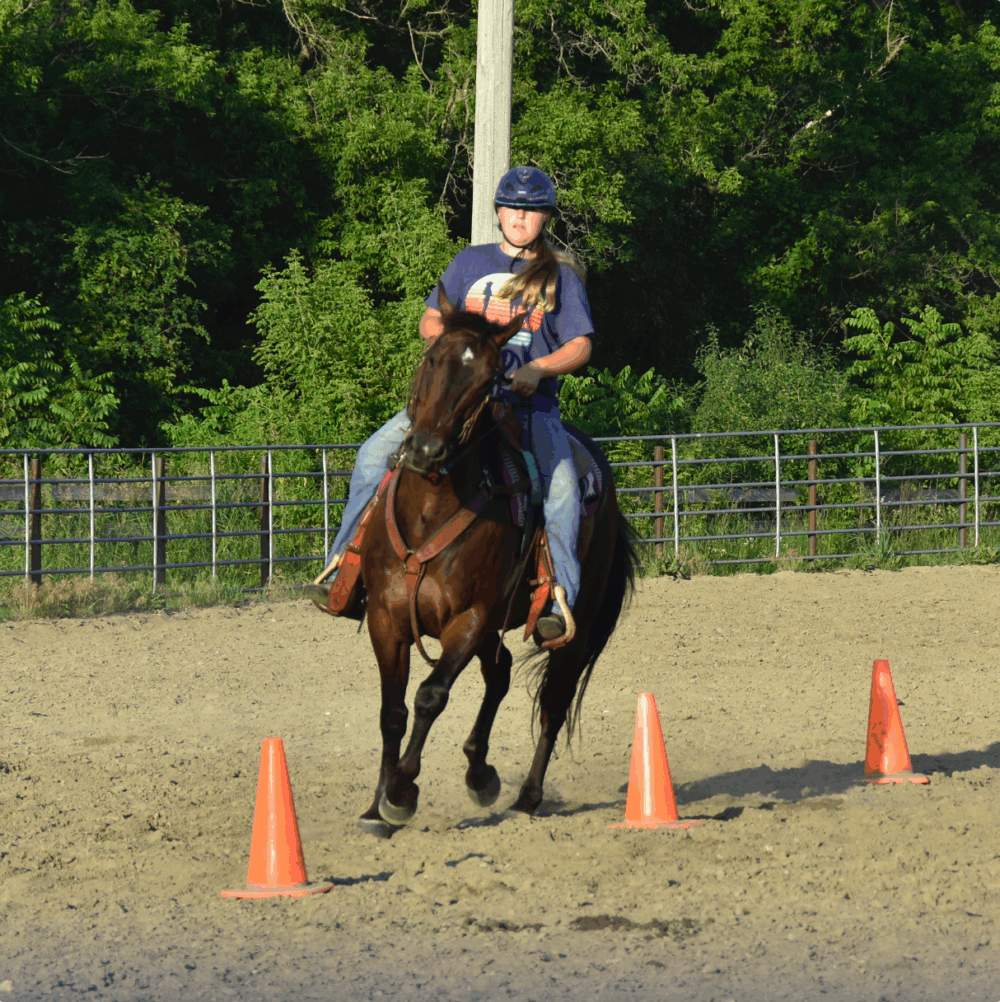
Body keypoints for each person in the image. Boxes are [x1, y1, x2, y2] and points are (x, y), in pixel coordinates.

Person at [314, 165, 594, 640]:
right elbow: (429, 317)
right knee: (370, 458)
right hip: (453, 401)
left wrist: (537, 369)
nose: (519, 218)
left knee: (564, 487)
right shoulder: (468, 261)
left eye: (529, 211)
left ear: (544, 217)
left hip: (528, 406)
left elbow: (580, 345)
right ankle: (345, 569)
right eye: (511, 209)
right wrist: (447, 349)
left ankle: (556, 597)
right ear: (499, 213)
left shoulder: (561, 277)